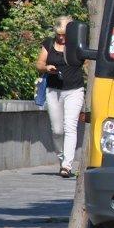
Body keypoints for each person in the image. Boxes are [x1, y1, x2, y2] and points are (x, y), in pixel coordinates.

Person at [35, 16, 87, 178]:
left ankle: (67, 165)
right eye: (59, 34)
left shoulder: (77, 44)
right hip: (53, 90)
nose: (61, 38)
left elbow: (87, 65)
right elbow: (39, 64)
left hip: (74, 90)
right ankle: (61, 157)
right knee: (57, 130)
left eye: (64, 34)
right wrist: (46, 67)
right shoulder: (49, 43)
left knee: (70, 126)